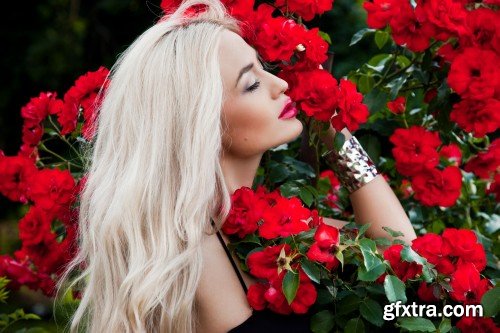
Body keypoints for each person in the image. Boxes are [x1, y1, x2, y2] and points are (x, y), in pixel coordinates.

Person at [56, 0, 417, 332]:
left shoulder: (266, 224)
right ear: (199, 121)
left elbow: (403, 256)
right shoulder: (195, 251)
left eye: (265, 68)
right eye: (252, 83)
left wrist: (331, 127)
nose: (280, 84)